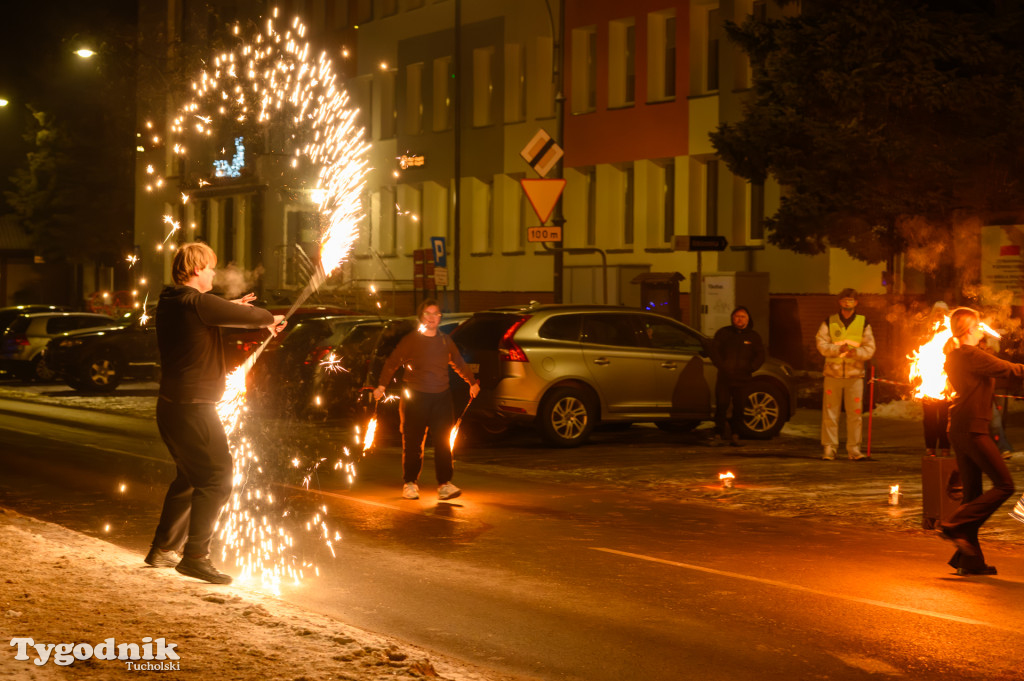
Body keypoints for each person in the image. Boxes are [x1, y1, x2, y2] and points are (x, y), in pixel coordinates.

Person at [144, 242, 286, 584]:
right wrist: (269, 318)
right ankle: (195, 556)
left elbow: (213, 318)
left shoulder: (175, 302)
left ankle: (163, 549)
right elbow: (250, 316)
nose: (213, 272)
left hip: (173, 406)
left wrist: (236, 311)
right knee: (218, 477)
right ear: (196, 269)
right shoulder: (195, 302)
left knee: (190, 478)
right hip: (193, 408)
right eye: (209, 267)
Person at [938, 307, 1023, 576]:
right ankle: (954, 525)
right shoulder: (970, 354)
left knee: (973, 494)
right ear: (969, 330)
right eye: (978, 326)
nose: (982, 329)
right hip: (972, 428)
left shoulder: (956, 356)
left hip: (961, 426)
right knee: (1004, 485)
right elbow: (1009, 370)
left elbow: (1000, 374)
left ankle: (970, 560)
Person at [373, 299, 480, 501]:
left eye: (436, 314)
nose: (432, 318)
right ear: (421, 317)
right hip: (416, 397)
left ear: (440, 317)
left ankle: (445, 484)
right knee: (413, 442)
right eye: (428, 314)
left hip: (441, 397)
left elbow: (458, 362)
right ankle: (410, 483)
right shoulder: (411, 340)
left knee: (443, 442)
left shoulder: (444, 341)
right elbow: (392, 362)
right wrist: (381, 386)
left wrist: (471, 382)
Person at [815, 288, 876, 461]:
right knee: (830, 413)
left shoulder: (863, 323)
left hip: (854, 376)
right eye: (844, 300)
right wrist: (836, 349)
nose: (847, 303)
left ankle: (854, 448)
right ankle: (829, 447)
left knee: (855, 414)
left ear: (856, 303)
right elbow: (821, 343)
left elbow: (870, 348)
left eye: (851, 300)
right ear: (839, 302)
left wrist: (855, 353)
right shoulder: (830, 321)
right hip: (832, 375)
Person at [708, 306, 765, 446]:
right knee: (722, 405)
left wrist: (751, 368)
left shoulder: (753, 336)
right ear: (732, 318)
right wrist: (722, 366)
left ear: (748, 319)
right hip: (725, 377)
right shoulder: (723, 333)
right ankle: (718, 433)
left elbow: (760, 355)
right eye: (737, 316)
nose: (739, 319)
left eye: (743, 316)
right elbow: (714, 351)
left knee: (739, 406)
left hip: (743, 378)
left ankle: (736, 434)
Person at [921, 302, 951, 457]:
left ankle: (945, 446)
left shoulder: (951, 331)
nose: (940, 314)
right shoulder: (926, 330)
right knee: (930, 417)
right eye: (937, 311)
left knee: (946, 417)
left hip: (947, 379)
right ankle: (930, 446)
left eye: (943, 311)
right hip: (929, 377)